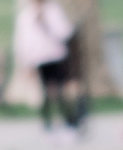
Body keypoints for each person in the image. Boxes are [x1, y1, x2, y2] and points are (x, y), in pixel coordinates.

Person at [13, 0, 79, 130]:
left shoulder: (53, 10)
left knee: (60, 90)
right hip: (39, 58)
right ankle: (47, 122)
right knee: (45, 92)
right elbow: (22, 41)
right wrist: (25, 62)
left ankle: (69, 121)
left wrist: (46, 22)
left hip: (56, 56)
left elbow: (65, 32)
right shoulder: (26, 15)